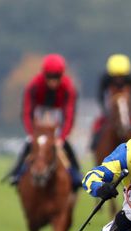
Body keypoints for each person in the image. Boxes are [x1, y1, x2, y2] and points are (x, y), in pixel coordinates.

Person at [8, 53, 81, 189]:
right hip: (39, 118)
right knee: (29, 144)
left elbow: (69, 114)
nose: (53, 82)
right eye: (49, 77)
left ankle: (76, 174)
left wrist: (62, 137)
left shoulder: (68, 88)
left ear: (61, 75)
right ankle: (18, 172)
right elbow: (27, 111)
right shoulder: (33, 85)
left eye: (56, 77)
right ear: (44, 75)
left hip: (58, 119)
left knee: (67, 146)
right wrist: (31, 133)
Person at [90, 54, 131, 150]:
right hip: (110, 111)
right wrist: (106, 112)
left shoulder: (130, 80)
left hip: (126, 111)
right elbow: (100, 97)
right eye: (116, 76)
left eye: (121, 76)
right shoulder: (105, 80)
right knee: (97, 126)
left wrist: (129, 111)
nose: (118, 79)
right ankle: (94, 146)